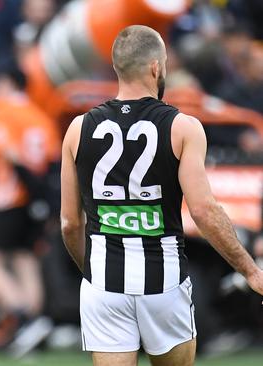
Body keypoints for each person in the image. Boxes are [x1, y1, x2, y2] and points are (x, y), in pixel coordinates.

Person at [60, 24, 263, 366]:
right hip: (164, 281)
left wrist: (92, 271)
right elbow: (203, 210)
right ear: (156, 67)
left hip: (104, 285)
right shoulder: (183, 127)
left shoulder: (79, 129)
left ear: (116, 67)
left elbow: (68, 222)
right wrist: (250, 270)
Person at [0, 58, 61, 357]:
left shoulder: (1, 112)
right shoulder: (40, 117)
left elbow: (8, 153)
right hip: (35, 202)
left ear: (6, 83)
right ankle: (36, 324)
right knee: (25, 260)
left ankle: (24, 317)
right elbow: (52, 163)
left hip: (8, 199)